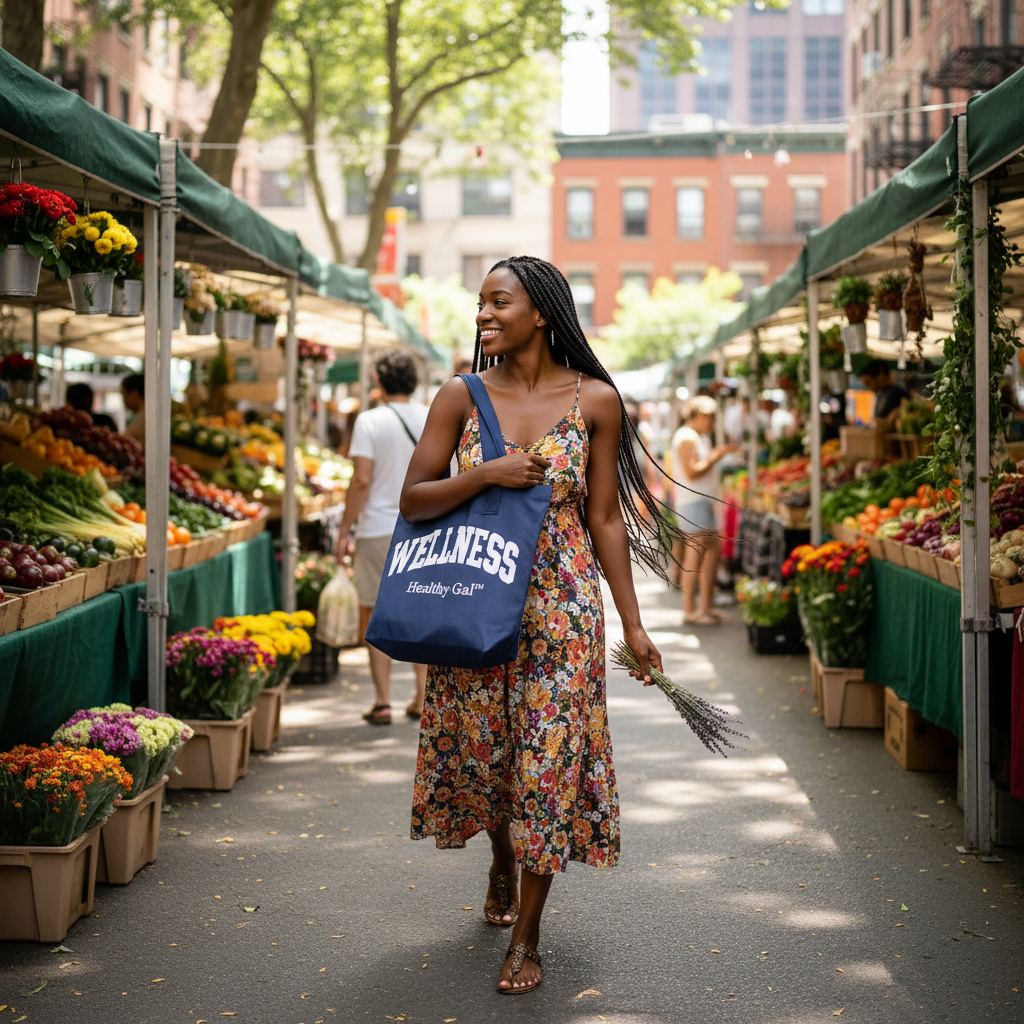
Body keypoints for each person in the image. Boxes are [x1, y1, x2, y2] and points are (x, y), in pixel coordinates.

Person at [399, 256, 670, 996]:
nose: (484, 313)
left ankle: (527, 935)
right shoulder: (460, 395)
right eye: (481, 302)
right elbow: (413, 499)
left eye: (499, 301)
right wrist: (486, 474)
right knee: (491, 762)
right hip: (474, 602)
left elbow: (605, 518)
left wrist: (634, 625)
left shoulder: (598, 402)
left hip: (564, 609)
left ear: (542, 311)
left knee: (548, 766)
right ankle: (499, 857)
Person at [335, 350, 429, 726]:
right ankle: (422, 697)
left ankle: (383, 701)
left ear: (378, 381)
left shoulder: (369, 422)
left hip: (376, 528)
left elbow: (360, 481)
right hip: (424, 527)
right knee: (422, 610)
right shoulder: (431, 416)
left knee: (375, 613)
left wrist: (344, 529)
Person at [671, 395, 739, 625]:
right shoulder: (688, 437)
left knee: (711, 552)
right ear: (697, 416)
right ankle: (690, 609)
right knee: (696, 554)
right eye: (708, 417)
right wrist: (715, 456)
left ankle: (705, 607)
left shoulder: (693, 436)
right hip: (693, 502)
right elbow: (692, 472)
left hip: (701, 501)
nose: (711, 422)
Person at [859, 358, 908, 428]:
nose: (869, 388)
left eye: (868, 383)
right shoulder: (881, 393)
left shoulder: (897, 392)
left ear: (880, 375)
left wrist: (899, 411)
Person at [121, 373, 146, 447]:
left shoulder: (143, 419)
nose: (124, 400)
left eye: (124, 395)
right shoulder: (142, 416)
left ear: (134, 393)